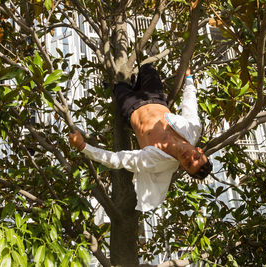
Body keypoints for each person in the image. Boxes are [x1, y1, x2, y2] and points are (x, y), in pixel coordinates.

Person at [69, 63, 212, 211]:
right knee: (147, 67)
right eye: (195, 157)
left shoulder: (156, 160)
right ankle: (134, 80)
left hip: (131, 106)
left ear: (182, 166)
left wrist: (82, 146)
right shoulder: (192, 130)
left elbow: (117, 160)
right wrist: (188, 77)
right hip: (155, 97)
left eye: (188, 164)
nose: (188, 157)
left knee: (119, 85)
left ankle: (124, 84)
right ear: (199, 150)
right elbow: (190, 104)